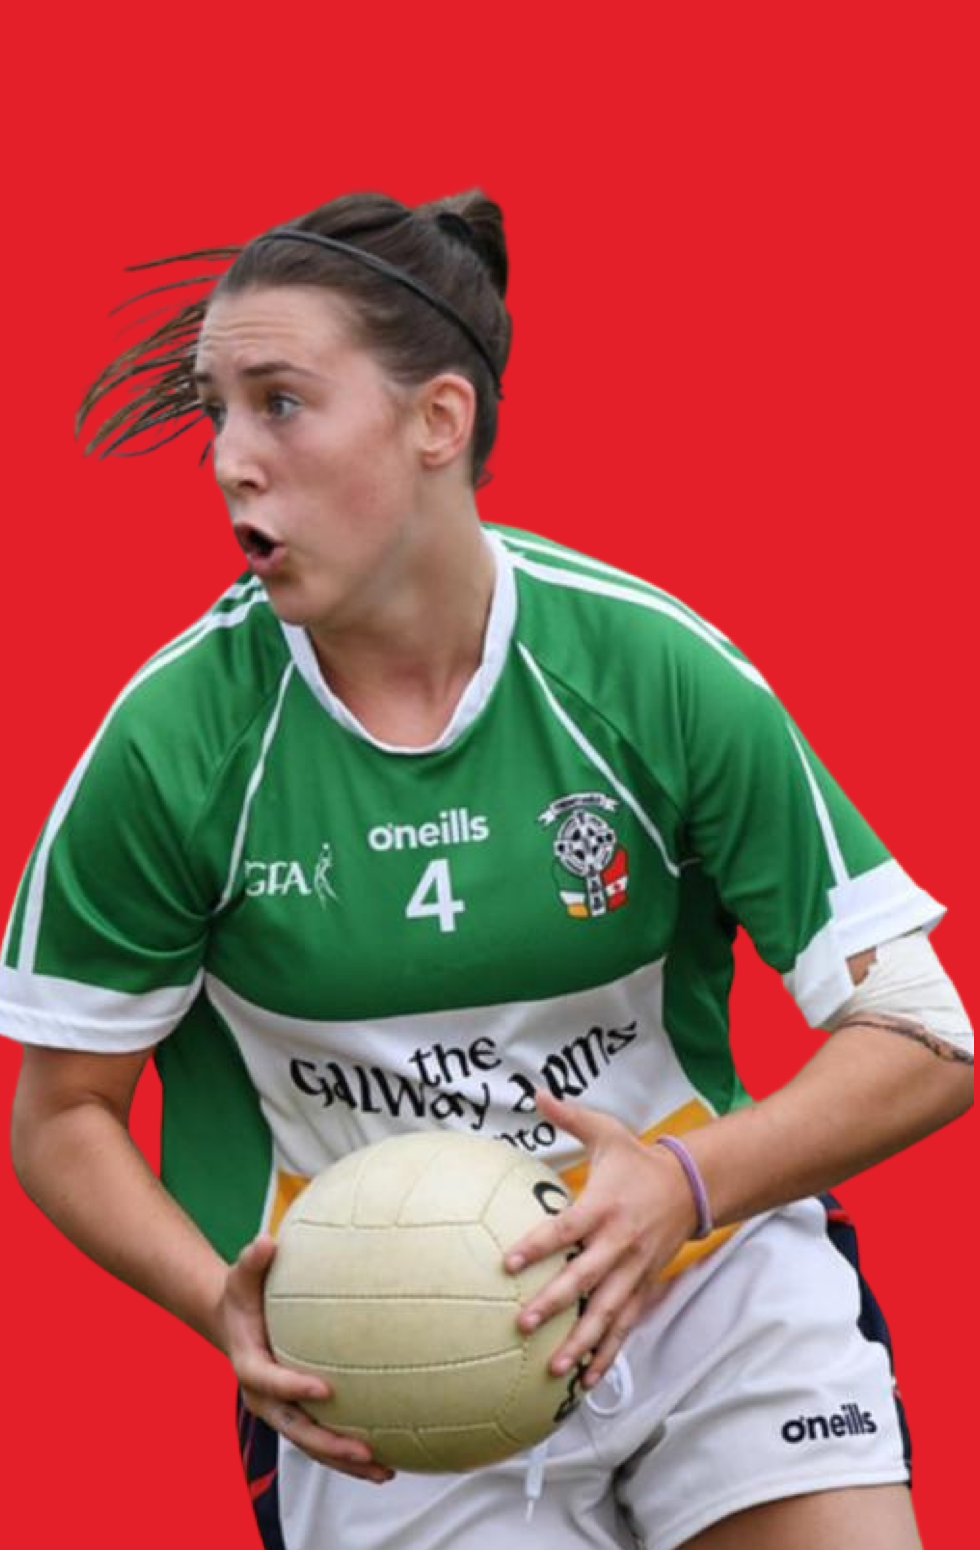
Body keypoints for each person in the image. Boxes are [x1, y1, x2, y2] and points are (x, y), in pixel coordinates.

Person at [2, 187, 972, 1550]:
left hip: (706, 1280)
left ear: (436, 422)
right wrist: (215, 1295)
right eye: (213, 406)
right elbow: (60, 1117)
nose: (227, 455)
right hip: (380, 1363)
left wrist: (688, 1184)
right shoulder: (173, 748)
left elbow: (927, 1034)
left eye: (278, 400)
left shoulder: (648, 672)